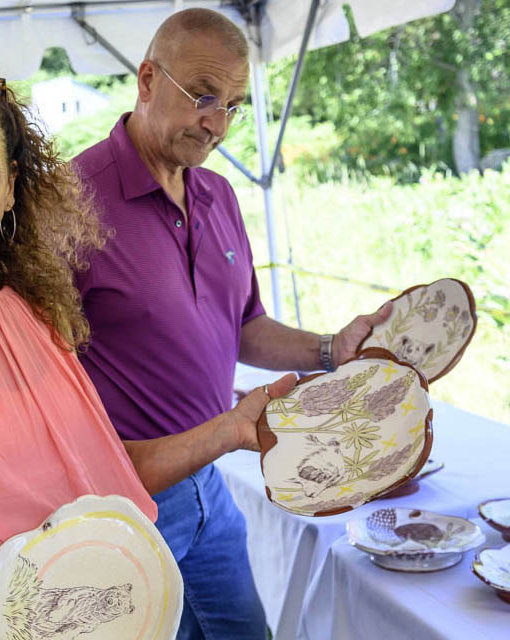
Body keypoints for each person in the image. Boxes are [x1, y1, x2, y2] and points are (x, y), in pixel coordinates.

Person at [0, 68, 295, 640]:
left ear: (12, 185)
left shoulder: (33, 310)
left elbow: (103, 477)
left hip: (107, 613)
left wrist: (232, 430)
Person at [73, 8, 393, 639]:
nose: (216, 124)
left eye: (233, 105)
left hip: (211, 488)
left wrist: (333, 348)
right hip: (119, 503)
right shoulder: (71, 201)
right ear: (146, 79)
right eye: (202, 96)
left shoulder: (218, 195)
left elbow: (244, 327)